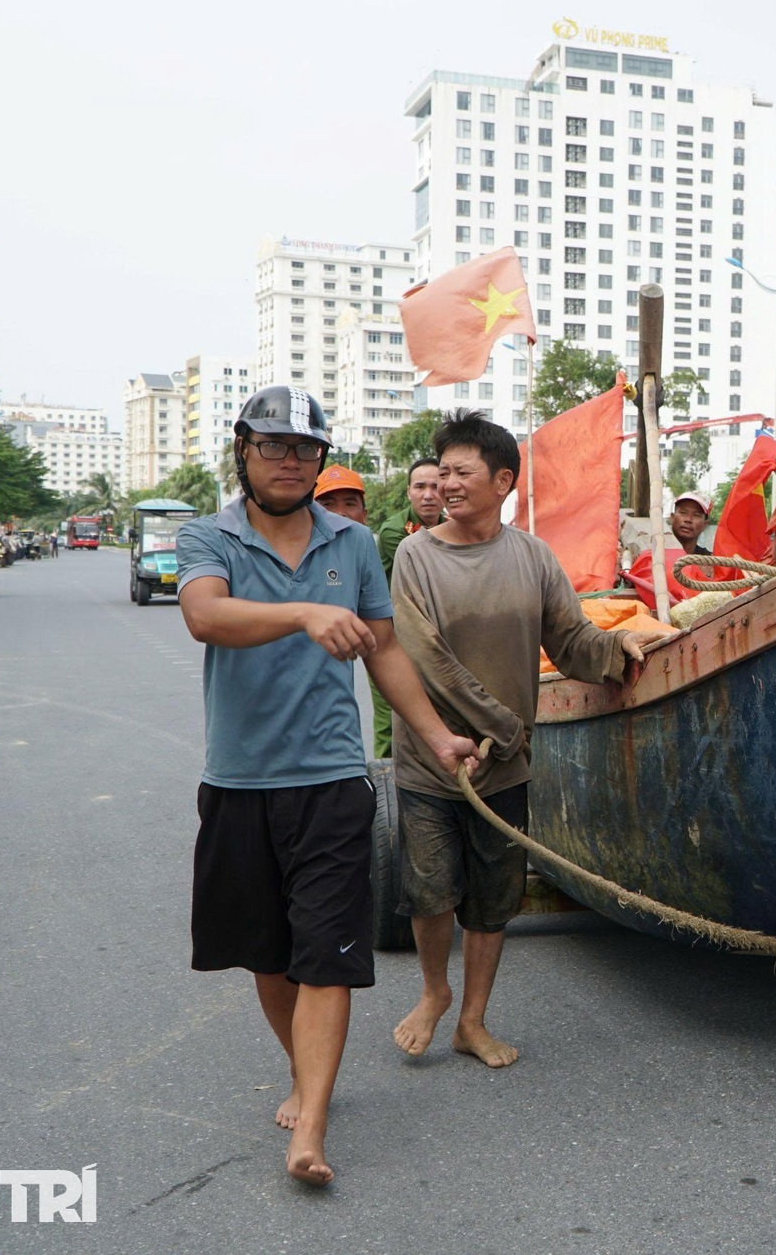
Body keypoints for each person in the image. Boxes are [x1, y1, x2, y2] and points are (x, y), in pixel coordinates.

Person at [174, 386, 483, 1188]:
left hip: (333, 782)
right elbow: (206, 617)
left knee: (326, 957)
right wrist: (306, 613)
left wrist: (437, 734)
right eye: (273, 446)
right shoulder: (209, 535)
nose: (289, 461)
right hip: (239, 785)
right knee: (268, 959)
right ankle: (304, 1072)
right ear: (242, 449)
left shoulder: (352, 542)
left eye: (304, 449)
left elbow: (382, 650)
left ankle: (311, 1124)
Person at [387, 410, 658, 1068]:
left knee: (494, 897)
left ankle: (472, 1023)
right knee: (430, 891)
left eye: (461, 471)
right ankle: (434, 992)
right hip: (431, 764)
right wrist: (505, 727)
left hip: (504, 772)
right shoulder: (415, 556)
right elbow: (424, 660)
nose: (445, 483)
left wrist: (621, 646)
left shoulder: (533, 557)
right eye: (441, 471)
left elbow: (571, 641)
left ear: (502, 479)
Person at [370, 456, 445, 758]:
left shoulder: (448, 525)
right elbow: (433, 573)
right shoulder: (394, 531)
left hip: (429, 634)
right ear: (409, 492)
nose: (428, 494)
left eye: (435, 486)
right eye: (420, 487)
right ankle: (385, 788)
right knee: (389, 715)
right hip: (390, 637)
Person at [626, 491, 716, 607]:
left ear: (705, 524)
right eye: (683, 513)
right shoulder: (652, 553)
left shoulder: (710, 561)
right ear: (672, 518)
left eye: (696, 515)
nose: (688, 519)